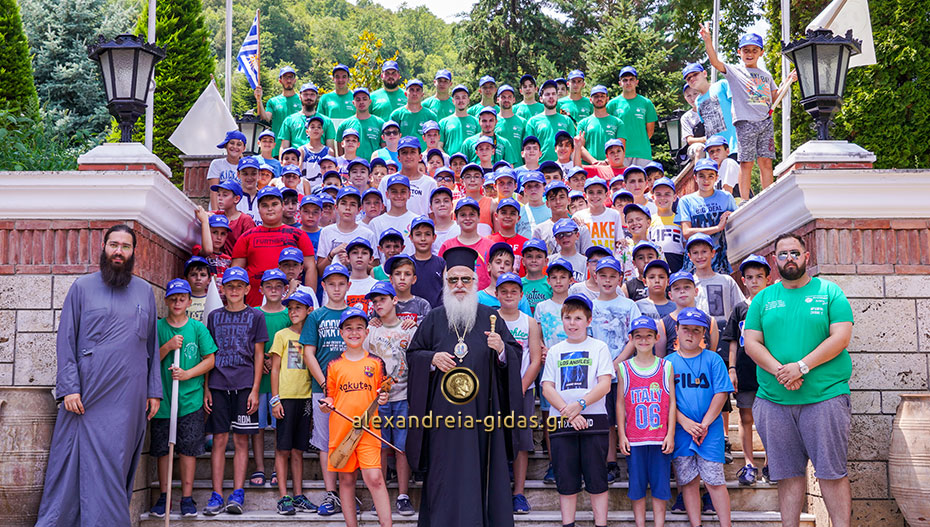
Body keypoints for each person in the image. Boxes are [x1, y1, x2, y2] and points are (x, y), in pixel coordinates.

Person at [37, 225, 162, 527]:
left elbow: (152, 344)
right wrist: (69, 388)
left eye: (126, 247)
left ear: (134, 252)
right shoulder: (81, 287)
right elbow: (66, 340)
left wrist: (154, 390)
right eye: (114, 245)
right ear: (103, 247)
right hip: (87, 396)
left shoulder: (145, 291)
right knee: (74, 467)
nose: (119, 251)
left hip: (129, 398)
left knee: (115, 464)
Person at [405, 246, 524, 527]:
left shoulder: (490, 317)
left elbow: (514, 354)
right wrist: (431, 358)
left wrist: (502, 351)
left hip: (483, 415)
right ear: (446, 282)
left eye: (466, 280)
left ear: (476, 281)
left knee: (481, 472)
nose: (459, 286)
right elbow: (413, 355)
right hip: (442, 419)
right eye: (453, 280)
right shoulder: (434, 318)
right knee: (444, 474)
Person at [744, 233, 854, 527]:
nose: (789, 258)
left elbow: (841, 337)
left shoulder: (830, 292)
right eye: (782, 254)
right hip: (774, 401)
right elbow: (751, 342)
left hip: (825, 398)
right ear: (775, 260)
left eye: (795, 252)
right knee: (787, 475)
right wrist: (782, 371)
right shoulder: (763, 299)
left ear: (807, 257)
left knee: (832, 473)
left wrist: (801, 367)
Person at [541, 294, 614, 527]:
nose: (572, 323)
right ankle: (568, 523)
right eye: (567, 318)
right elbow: (547, 387)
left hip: (594, 420)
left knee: (597, 477)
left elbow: (604, 384)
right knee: (566, 479)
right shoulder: (555, 351)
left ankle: (600, 523)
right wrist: (567, 411)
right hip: (561, 421)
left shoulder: (599, 347)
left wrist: (580, 405)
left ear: (588, 320)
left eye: (578, 318)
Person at [149, 279, 217, 519]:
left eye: (182, 299)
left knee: (188, 449)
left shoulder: (197, 328)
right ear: (166, 301)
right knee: (163, 450)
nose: (177, 302)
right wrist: (167, 347)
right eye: (173, 299)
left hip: (190, 400)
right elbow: (147, 361)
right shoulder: (157, 328)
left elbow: (210, 360)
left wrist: (188, 373)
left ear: (189, 301)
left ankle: (187, 498)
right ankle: (164, 496)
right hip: (163, 400)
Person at [202, 266, 268, 515]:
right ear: (223, 289)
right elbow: (209, 353)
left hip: (244, 384)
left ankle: (237, 493)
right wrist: (207, 387)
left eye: (239, 286)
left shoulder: (256, 316)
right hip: (218, 383)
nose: (234, 290)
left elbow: (259, 355)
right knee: (219, 439)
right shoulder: (214, 317)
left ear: (247, 289)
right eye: (230, 286)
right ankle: (216, 494)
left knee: (241, 440)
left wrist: (255, 390)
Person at [319, 307, 394, 527]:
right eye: (349, 328)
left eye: (359, 328)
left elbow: (383, 393)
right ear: (341, 332)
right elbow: (330, 398)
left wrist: (383, 398)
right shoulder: (333, 365)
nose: (354, 332)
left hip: (369, 431)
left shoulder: (376, 363)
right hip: (342, 431)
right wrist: (326, 405)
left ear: (366, 331)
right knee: (347, 479)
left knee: (375, 479)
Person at [701, 26, 796, 194]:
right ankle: (745, 198)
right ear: (740, 52)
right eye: (746, 50)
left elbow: (775, 97)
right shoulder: (735, 71)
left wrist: (788, 81)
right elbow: (715, 62)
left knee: (766, 161)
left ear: (761, 52)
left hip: (765, 122)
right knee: (746, 162)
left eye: (754, 50)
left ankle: (768, 196)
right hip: (745, 122)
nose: (750, 53)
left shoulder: (766, 76)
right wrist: (708, 41)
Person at [667, 307, 734, 527]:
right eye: (685, 329)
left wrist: (704, 424)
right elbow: (665, 400)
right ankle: (695, 524)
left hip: (710, 429)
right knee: (687, 481)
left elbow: (721, 393)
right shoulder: (667, 363)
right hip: (680, 429)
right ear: (677, 330)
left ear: (704, 333)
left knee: (715, 480)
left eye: (697, 330)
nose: (690, 334)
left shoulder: (713, 359)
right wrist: (684, 422)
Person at [300, 263, 352, 515]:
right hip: (323, 389)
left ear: (349, 286)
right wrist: (324, 382)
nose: (337, 288)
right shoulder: (316, 316)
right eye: (331, 283)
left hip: (352, 388)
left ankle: (348, 491)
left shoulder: (355, 314)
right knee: (325, 442)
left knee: (350, 439)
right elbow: (308, 353)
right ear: (323, 286)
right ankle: (331, 494)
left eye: (341, 283)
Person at [364, 281, 418, 516]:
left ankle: (403, 495)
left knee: (402, 447)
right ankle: (381, 495)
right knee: (381, 447)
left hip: (404, 396)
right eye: (374, 301)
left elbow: (417, 358)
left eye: (382, 299)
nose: (378, 304)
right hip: (379, 399)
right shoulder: (371, 330)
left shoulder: (409, 329)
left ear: (395, 300)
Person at [588, 255, 642, 482]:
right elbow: (587, 337)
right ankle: (611, 461)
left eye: (613, 276)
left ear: (621, 278)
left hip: (627, 369)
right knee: (607, 418)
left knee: (630, 415)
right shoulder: (590, 305)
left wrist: (619, 361)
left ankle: (635, 459)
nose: (608, 281)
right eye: (603, 276)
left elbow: (635, 336)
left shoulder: (629, 305)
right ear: (595, 277)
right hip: (601, 373)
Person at [618, 316, 676, 527]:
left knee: (661, 488)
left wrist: (670, 434)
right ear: (631, 339)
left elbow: (671, 403)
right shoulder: (624, 368)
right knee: (637, 487)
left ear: (656, 338)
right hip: (635, 439)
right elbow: (620, 404)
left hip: (660, 439)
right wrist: (622, 435)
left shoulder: (666, 366)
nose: (643, 340)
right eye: (638, 336)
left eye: (648, 336)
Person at [495, 273, 543, 514]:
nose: (509, 295)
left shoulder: (529, 322)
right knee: (496, 439)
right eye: (504, 291)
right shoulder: (491, 320)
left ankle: (519, 493)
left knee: (521, 442)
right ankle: (499, 489)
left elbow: (535, 360)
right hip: (496, 390)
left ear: (522, 295)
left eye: (514, 291)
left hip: (523, 389)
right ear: (496, 295)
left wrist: (520, 387)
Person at [723, 254, 771, 486]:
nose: (754, 281)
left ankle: (772, 463)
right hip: (744, 370)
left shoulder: (773, 306)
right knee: (745, 417)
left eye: (759, 277)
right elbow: (732, 341)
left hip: (770, 371)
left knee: (770, 419)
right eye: (749, 277)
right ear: (743, 280)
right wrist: (732, 369)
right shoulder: (740, 308)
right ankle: (750, 464)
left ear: (767, 279)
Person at [268, 291, 316, 515]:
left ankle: (298, 495)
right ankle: (283, 496)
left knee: (298, 450)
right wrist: (275, 399)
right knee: (282, 448)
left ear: (309, 311)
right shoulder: (282, 335)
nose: (293, 311)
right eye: (291, 308)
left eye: (299, 307)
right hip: (285, 397)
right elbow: (275, 368)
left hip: (305, 397)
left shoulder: (311, 335)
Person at [231, 186, 317, 307]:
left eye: (274, 204)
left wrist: (308, 300)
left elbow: (310, 268)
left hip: (292, 307)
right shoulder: (246, 237)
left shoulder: (298, 235)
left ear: (282, 206)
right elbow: (235, 274)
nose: (270, 209)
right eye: (265, 205)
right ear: (258, 209)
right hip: (254, 306)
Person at [251, 269, 292, 488]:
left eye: (278, 286)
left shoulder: (288, 315)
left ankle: (278, 467)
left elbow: (293, 344)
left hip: (281, 380)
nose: (274, 290)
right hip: (259, 378)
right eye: (269, 286)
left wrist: (273, 362)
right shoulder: (254, 313)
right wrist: (261, 362)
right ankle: (259, 466)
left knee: (279, 426)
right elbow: (248, 343)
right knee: (257, 427)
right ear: (261, 289)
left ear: (286, 289)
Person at [675, 158, 737, 274]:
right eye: (702, 176)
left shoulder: (726, 197)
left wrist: (731, 215)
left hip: (720, 262)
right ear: (695, 178)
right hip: (694, 263)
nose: (706, 180)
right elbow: (686, 232)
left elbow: (737, 222)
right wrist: (717, 228)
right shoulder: (686, 201)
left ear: (716, 178)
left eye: (710, 176)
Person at [316, 186, 377, 273]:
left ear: (359, 210)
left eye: (352, 204)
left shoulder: (368, 234)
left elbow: (374, 270)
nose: (347, 208)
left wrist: (353, 261)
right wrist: (332, 254)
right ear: (336, 207)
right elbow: (320, 271)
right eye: (343, 203)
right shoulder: (326, 232)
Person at [438, 197, 494, 290]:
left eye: (472, 214)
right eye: (463, 215)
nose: (468, 218)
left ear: (479, 218)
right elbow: (441, 276)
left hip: (485, 300)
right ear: (456, 219)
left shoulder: (490, 246)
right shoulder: (447, 246)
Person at [607, 66, 658, 166]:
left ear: (636, 82)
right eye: (625, 80)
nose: (628, 83)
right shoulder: (612, 104)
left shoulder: (646, 103)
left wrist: (638, 143)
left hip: (642, 154)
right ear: (620, 83)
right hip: (619, 155)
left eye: (631, 79)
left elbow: (650, 131)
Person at [683, 62, 733, 161]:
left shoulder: (722, 85)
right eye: (688, 78)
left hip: (732, 145)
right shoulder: (697, 102)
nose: (692, 78)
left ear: (705, 73)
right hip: (713, 152)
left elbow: (737, 106)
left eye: (695, 74)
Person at [378, 136, 438, 217]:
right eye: (404, 152)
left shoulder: (430, 183)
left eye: (412, 152)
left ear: (420, 157)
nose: (408, 156)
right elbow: (381, 211)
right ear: (398, 158)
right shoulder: (386, 181)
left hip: (420, 228)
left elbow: (433, 215)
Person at [525, 79, 577, 162]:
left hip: (563, 168)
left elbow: (573, 148)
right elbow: (529, 151)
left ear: (557, 97)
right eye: (547, 94)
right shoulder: (533, 122)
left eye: (553, 94)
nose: (551, 97)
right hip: (541, 168)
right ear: (541, 99)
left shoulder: (567, 121)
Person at [255, 67, 301, 156]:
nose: (288, 80)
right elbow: (266, 118)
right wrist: (259, 100)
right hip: (278, 149)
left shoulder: (301, 99)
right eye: (285, 77)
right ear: (280, 81)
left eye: (291, 77)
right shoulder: (273, 101)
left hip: (298, 147)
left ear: (295, 80)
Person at [278, 83, 337, 153]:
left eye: (312, 94)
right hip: (296, 160)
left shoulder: (327, 121)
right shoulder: (289, 120)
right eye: (305, 94)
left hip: (320, 161)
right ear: (300, 97)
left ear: (317, 97)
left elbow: (330, 149)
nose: (309, 97)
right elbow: (284, 147)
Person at [576, 85, 624, 163]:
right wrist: (594, 162)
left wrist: (607, 162)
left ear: (607, 99)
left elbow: (621, 147)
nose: (599, 99)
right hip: (590, 167)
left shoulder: (618, 122)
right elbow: (580, 147)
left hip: (611, 167)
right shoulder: (583, 123)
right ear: (591, 100)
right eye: (596, 96)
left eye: (602, 96)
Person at [336, 88, 387, 162]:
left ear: (370, 102)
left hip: (374, 168)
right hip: (351, 169)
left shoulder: (380, 123)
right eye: (358, 99)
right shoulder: (344, 125)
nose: (361, 102)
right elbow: (340, 153)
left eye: (364, 99)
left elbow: (384, 149)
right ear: (353, 102)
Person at [574, 176, 622, 252]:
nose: (595, 196)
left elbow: (619, 242)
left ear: (606, 195)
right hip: (588, 262)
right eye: (591, 192)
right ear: (585, 196)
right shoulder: (578, 216)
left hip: (609, 261)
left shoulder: (614, 214)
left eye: (599, 192)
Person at [648, 177, 684, 273]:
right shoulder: (649, 221)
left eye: (667, 194)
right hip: (655, 269)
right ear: (652, 197)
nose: (663, 198)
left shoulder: (681, 220)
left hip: (677, 267)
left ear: (675, 197)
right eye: (658, 195)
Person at [408, 215, 446, 307]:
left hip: (436, 315)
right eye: (418, 234)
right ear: (411, 238)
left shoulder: (442, 263)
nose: (423, 239)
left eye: (427, 234)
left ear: (434, 237)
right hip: (412, 316)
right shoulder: (406, 263)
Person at [390, 79, 439, 149]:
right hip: (403, 156)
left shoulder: (431, 116)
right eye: (411, 90)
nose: (414, 93)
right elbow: (390, 140)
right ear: (406, 94)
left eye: (418, 90)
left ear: (422, 94)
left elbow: (436, 141)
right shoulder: (396, 115)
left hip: (424, 157)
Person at [206, 130, 246, 209]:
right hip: (220, 209)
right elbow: (213, 192)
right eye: (232, 143)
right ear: (225, 145)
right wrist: (215, 212)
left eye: (239, 144)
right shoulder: (216, 164)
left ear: (244, 148)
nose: (235, 147)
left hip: (240, 211)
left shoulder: (246, 167)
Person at [438, 84, 479, 155]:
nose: (461, 100)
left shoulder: (476, 122)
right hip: (451, 164)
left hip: (470, 164)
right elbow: (439, 146)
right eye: (457, 98)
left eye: (463, 97)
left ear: (468, 100)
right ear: (453, 101)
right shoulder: (443, 123)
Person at [520, 238, 551, 313]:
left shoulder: (550, 284)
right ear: (523, 261)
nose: (534, 260)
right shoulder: (518, 284)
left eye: (539, 257)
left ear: (546, 261)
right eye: (529, 256)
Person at [495, 85, 526, 156]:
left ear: (514, 100)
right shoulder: (492, 121)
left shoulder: (522, 122)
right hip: (498, 165)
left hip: (518, 165)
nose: (506, 100)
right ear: (497, 100)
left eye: (509, 97)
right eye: (503, 97)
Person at [182, 256, 211, 322]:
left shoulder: (212, 299)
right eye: (193, 275)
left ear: (209, 280)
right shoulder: (180, 300)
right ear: (185, 279)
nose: (198, 278)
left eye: (203, 275)